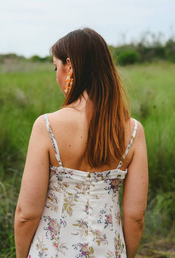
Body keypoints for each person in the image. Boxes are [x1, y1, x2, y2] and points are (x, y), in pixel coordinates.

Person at [14, 28, 148, 258]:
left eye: (56, 68)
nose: (57, 75)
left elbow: (27, 214)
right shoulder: (134, 130)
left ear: (70, 66)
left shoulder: (46, 126)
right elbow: (135, 217)